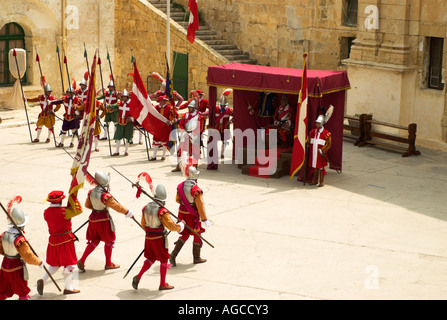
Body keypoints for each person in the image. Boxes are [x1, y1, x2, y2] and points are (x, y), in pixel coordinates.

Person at [77, 171, 133, 272]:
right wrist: (127, 212)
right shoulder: (105, 196)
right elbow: (117, 206)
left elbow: (87, 205)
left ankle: (82, 260)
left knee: (95, 240)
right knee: (109, 241)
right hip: (103, 219)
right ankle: (108, 263)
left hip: (93, 218)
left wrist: (96, 207)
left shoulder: (91, 192)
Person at [132, 184, 185, 291]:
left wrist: (151, 232)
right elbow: (171, 226)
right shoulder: (162, 212)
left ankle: (139, 276)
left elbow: (144, 224)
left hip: (148, 238)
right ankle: (162, 283)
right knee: (164, 259)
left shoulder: (146, 208)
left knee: (151, 258)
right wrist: (181, 225)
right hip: (159, 239)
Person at [37, 190, 81, 296]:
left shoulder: (46, 212)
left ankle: (43, 280)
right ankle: (68, 288)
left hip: (53, 241)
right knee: (69, 264)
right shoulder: (65, 211)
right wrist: (74, 197)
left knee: (54, 264)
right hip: (65, 240)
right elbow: (79, 210)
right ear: (61, 201)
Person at [170, 163, 211, 266]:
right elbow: (200, 205)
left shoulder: (180, 186)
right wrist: (204, 219)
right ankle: (196, 258)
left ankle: (173, 255)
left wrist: (185, 204)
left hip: (182, 213)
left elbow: (177, 200)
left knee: (185, 234)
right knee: (197, 234)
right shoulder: (196, 190)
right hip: (192, 215)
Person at [0, 206, 44, 300]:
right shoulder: (20, 240)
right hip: (16, 268)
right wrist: (39, 262)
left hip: (5, 266)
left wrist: (7, 253)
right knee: (23, 292)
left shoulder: (4, 235)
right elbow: (28, 257)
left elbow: (1, 249)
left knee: (3, 291)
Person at [172, 99, 203, 172]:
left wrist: (191, 134)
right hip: (185, 134)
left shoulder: (199, 116)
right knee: (180, 151)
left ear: (194, 108)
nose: (189, 109)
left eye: (191, 107)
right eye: (189, 107)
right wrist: (184, 133)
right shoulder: (185, 115)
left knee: (195, 152)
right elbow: (181, 124)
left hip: (194, 135)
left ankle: (194, 166)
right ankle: (179, 166)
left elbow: (200, 127)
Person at [108, 89, 134, 156]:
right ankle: (117, 151)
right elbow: (113, 106)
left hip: (128, 123)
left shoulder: (131, 104)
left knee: (128, 137)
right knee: (118, 137)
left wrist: (132, 118)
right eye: (123, 97)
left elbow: (136, 112)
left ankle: (126, 151)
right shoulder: (120, 103)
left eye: (125, 97)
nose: (124, 98)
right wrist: (107, 105)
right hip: (120, 122)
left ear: (127, 97)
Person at [308, 115, 332, 187]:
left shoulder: (327, 133)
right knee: (314, 166)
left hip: (321, 153)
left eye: (318, 123)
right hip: (313, 153)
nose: (316, 124)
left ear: (321, 123)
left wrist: (322, 150)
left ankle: (321, 181)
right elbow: (309, 142)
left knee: (321, 166)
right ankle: (315, 180)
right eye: (316, 123)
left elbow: (328, 144)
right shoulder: (312, 132)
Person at [150, 96, 177, 161]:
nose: (162, 102)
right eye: (161, 101)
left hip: (165, 127)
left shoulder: (169, 108)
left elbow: (175, 116)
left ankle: (163, 155)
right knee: (156, 140)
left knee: (164, 141)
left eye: (163, 101)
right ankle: (154, 156)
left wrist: (170, 121)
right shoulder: (156, 107)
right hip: (157, 127)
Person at [214, 93, 233, 159]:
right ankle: (215, 152)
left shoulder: (229, 110)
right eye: (221, 105)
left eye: (224, 105)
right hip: (217, 127)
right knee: (214, 140)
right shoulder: (215, 109)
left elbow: (236, 115)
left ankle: (222, 153)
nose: (222, 106)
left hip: (225, 127)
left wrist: (231, 121)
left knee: (225, 141)